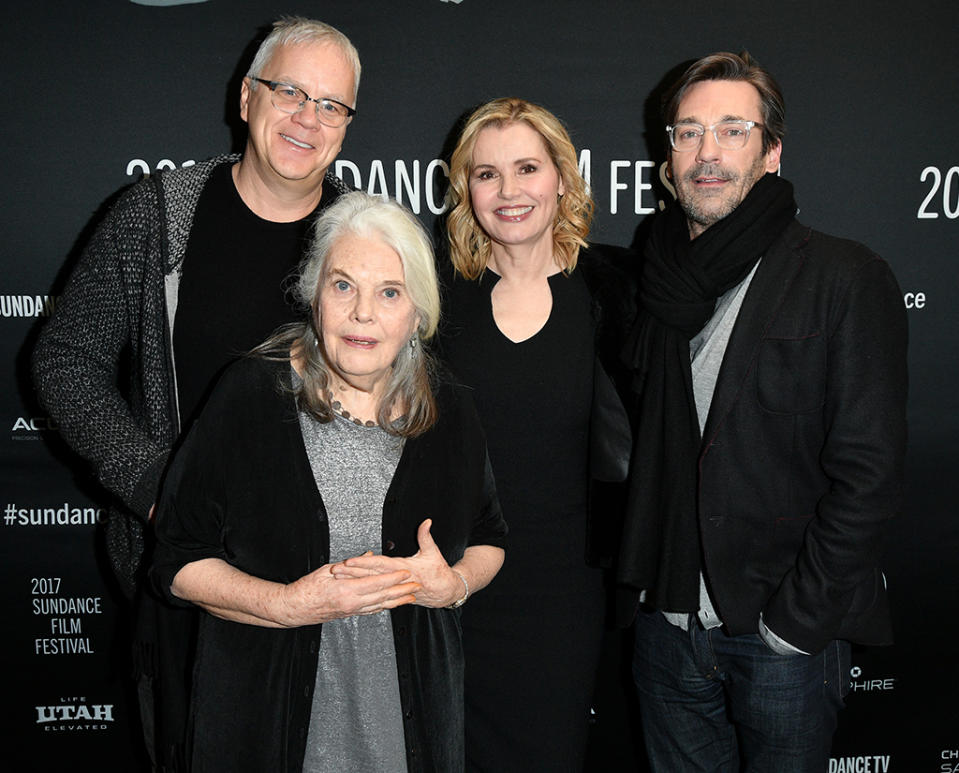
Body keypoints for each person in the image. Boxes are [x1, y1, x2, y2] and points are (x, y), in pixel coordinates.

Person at [31, 16, 360, 770]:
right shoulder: (156, 216)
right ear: (247, 98)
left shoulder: (364, 236)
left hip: (331, 584)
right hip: (184, 581)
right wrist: (156, 488)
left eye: (332, 105)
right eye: (290, 92)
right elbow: (66, 359)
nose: (309, 119)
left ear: (346, 124)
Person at [618, 51, 907, 771]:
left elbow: (868, 472)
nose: (706, 153)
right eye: (686, 132)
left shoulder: (843, 276)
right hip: (666, 621)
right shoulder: (647, 277)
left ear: (771, 151)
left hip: (779, 636)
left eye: (731, 130)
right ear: (666, 154)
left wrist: (792, 625)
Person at [151, 191, 507, 772]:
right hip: (265, 731)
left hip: (409, 735)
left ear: (417, 313)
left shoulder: (449, 411)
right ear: (313, 295)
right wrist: (288, 605)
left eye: (389, 293)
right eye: (343, 286)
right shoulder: (248, 396)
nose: (362, 313)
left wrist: (454, 586)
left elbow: (492, 537)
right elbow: (176, 562)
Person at [440, 97, 634, 772]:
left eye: (526, 167)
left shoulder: (616, 291)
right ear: (465, 186)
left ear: (561, 177)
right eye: (486, 173)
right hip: (451, 580)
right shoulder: (433, 292)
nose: (508, 191)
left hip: (567, 590)